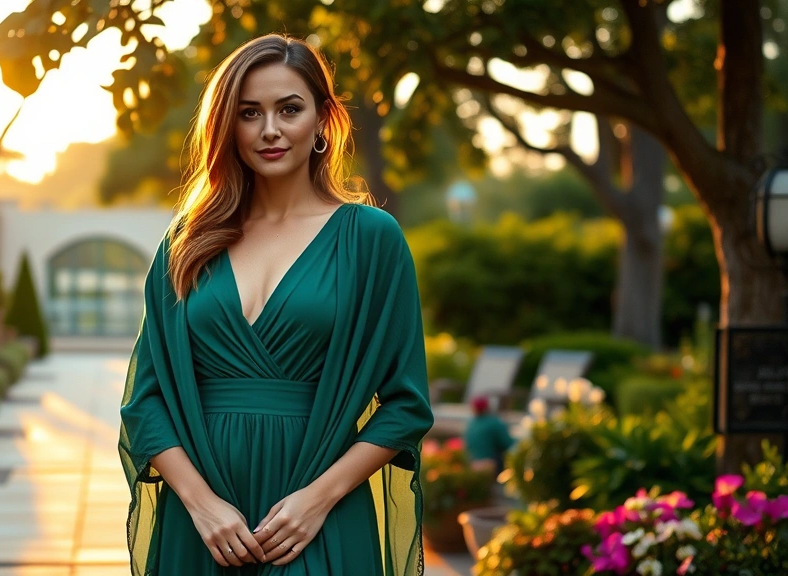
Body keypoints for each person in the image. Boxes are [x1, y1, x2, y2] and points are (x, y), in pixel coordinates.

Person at [118, 34, 433, 576]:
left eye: (289, 109)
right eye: (249, 113)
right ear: (228, 125)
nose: (269, 129)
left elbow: (406, 405)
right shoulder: (187, 242)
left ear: (322, 119)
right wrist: (201, 504)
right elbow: (145, 403)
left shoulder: (370, 238)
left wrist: (317, 500)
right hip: (203, 526)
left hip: (318, 517)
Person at [462, 396, 515, 473]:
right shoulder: (494, 423)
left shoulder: (471, 424)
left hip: (471, 464)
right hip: (490, 464)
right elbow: (507, 443)